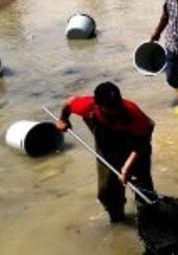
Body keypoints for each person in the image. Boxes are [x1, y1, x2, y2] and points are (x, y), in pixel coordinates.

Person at [54, 82, 155, 223]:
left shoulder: (132, 114)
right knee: (108, 191)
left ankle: (148, 220)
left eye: (118, 107)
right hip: (107, 150)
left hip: (137, 148)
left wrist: (127, 167)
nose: (116, 112)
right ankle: (118, 221)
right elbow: (69, 103)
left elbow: (141, 143)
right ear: (97, 104)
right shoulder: (88, 106)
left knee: (143, 189)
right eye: (110, 109)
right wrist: (63, 119)